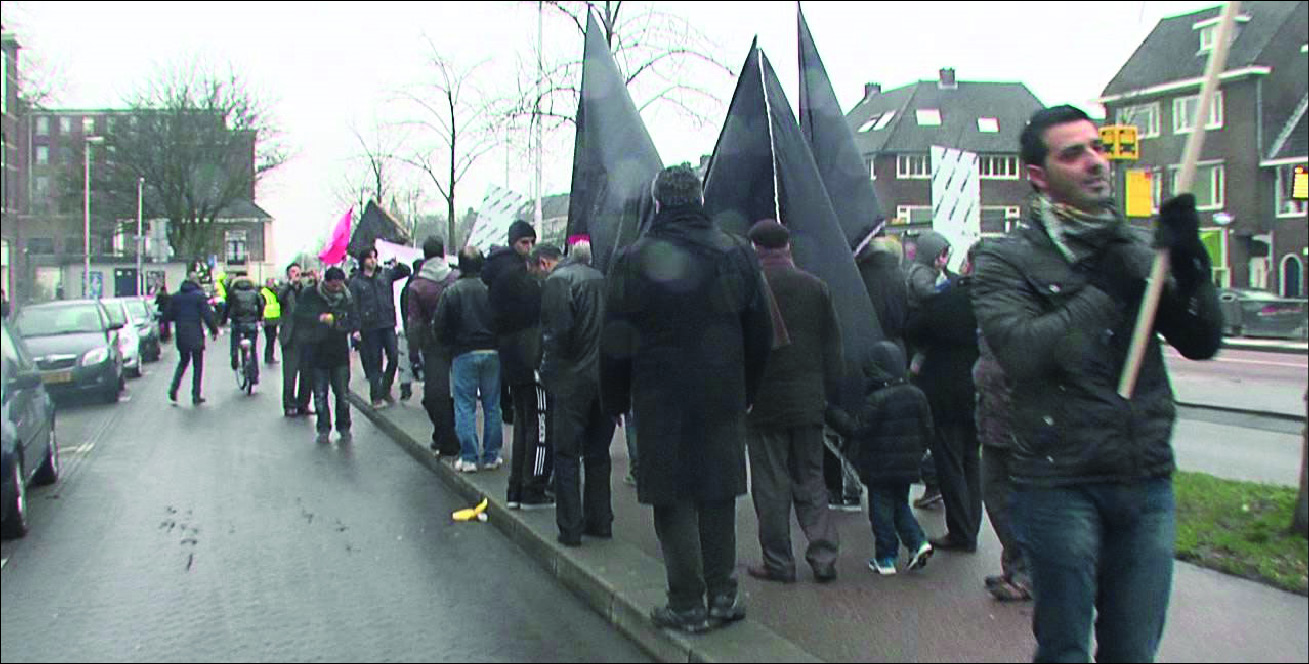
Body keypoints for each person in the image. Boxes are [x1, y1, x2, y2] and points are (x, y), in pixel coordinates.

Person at [971, 105, 1222, 662]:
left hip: (1145, 479)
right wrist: (1104, 291)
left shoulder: (1136, 250)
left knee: (1133, 651)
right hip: (1060, 481)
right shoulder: (1005, 260)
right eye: (1073, 153)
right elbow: (1023, 352)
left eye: (1097, 148)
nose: (1094, 162)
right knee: (1064, 648)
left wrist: (1192, 262)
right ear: (1038, 175)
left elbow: (1200, 340)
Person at [601, 164, 773, 633]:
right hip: (722, 393)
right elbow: (760, 331)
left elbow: (615, 337)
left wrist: (615, 398)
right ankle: (723, 594)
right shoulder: (736, 253)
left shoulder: (633, 258)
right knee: (718, 492)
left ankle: (686, 602)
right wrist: (748, 390)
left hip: (660, 396)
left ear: (658, 203)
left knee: (672, 497)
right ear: (699, 199)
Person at [741, 219, 842, 584]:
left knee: (770, 484)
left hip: (763, 403)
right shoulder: (816, 287)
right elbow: (833, 347)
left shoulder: (749, 287)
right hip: (808, 400)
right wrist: (827, 394)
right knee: (811, 479)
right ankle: (823, 555)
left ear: (755, 249)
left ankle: (779, 562)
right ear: (788, 247)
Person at [826, 341, 935, 576]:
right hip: (907, 466)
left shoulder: (877, 399)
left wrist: (832, 413)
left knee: (881, 512)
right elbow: (928, 429)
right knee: (900, 506)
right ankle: (917, 542)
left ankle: (886, 557)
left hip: (880, 467)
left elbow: (857, 429)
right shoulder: (917, 395)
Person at [905, 242, 984, 554]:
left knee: (950, 462)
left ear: (968, 265)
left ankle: (961, 532)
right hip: (982, 392)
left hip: (947, 391)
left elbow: (914, 330)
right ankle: (971, 526)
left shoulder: (951, 298)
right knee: (971, 461)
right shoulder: (999, 299)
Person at [540, 239, 614, 546]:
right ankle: (600, 520)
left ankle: (570, 526)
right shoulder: (601, 279)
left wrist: (546, 371)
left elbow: (559, 334)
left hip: (572, 379)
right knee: (598, 452)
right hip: (604, 376)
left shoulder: (558, 282)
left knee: (566, 454)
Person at [484, 221, 554, 509]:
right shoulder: (520, 278)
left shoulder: (496, 274)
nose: (528, 248)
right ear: (514, 243)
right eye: (524, 242)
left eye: (530, 243)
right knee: (539, 425)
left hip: (511, 357)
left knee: (525, 422)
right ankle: (533, 488)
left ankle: (517, 487)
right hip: (530, 357)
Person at [434, 247, 503, 474]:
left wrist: (449, 346)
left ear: (460, 265)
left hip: (463, 352)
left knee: (465, 404)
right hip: (492, 351)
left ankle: (469, 457)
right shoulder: (491, 290)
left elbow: (440, 326)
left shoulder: (451, 292)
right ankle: (492, 455)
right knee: (493, 404)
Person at [975, 331, 1031, 602]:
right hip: (993, 425)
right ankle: (1014, 565)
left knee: (1019, 501)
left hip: (1018, 429)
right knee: (994, 495)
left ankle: (1026, 574)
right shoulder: (990, 321)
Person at [407, 237, 462, 456]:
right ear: (444, 252)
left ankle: (445, 436)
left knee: (435, 394)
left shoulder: (417, 286)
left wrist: (413, 352)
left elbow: (414, 323)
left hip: (433, 344)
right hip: (459, 342)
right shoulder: (456, 277)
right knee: (461, 392)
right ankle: (457, 435)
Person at [296, 267, 361, 444]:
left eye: (339, 285)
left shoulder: (346, 297)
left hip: (339, 351)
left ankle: (344, 426)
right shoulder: (311, 294)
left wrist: (349, 327)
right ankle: (323, 428)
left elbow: (354, 318)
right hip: (317, 351)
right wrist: (319, 318)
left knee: (342, 393)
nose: (337, 289)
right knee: (320, 393)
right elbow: (299, 315)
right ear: (326, 282)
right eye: (333, 286)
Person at [348, 247, 412, 408]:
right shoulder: (356, 282)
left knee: (393, 357)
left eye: (375, 257)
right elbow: (353, 306)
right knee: (375, 362)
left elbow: (406, 271)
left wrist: (397, 264)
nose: (373, 260)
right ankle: (376, 396)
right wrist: (355, 328)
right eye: (369, 258)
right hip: (369, 327)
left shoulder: (384, 275)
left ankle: (385, 389)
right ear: (363, 261)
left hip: (387, 322)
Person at [163, 272, 219, 405]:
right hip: (195, 334)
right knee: (197, 365)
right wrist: (214, 330)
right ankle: (195, 394)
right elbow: (207, 315)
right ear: (196, 282)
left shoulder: (176, 296)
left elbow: (168, 314)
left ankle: (173, 389)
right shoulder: (199, 296)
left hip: (181, 334)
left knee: (183, 361)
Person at [278, 263, 315, 417]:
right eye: (293, 272)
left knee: (307, 374)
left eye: (298, 272)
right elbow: (279, 298)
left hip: (306, 337)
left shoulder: (306, 290)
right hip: (291, 337)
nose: (296, 274)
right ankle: (289, 404)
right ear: (288, 275)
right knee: (290, 374)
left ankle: (303, 404)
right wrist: (290, 285)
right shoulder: (284, 290)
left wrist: (315, 280)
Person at [225, 275, 264, 386]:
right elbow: (261, 305)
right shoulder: (255, 292)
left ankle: (234, 356)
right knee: (252, 349)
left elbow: (227, 307)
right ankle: (254, 376)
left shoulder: (233, 293)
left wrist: (223, 321)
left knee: (235, 341)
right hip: (252, 323)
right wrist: (260, 318)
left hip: (237, 323)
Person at [396, 258, 425, 402]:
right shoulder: (419, 286)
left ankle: (405, 389)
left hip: (411, 329)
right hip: (420, 329)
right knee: (423, 361)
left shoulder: (407, 286)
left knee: (408, 361)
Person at [261, 278, 281, 365]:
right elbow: (261, 305)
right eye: (270, 282)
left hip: (274, 318)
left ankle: (270, 357)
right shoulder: (264, 292)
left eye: (273, 282)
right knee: (269, 339)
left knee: (272, 339)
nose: (272, 284)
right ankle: (268, 357)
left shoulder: (274, 291)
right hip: (267, 318)